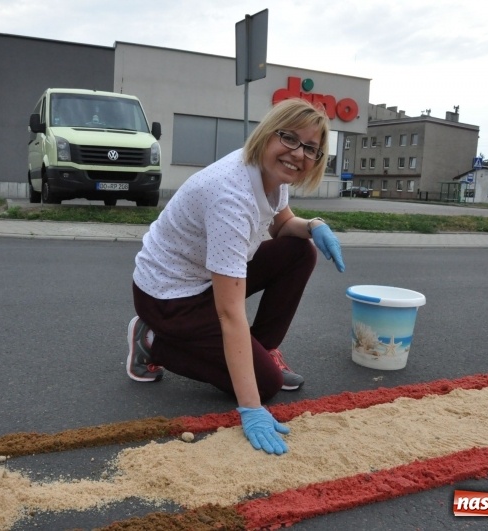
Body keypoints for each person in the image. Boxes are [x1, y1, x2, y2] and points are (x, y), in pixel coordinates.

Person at [127, 98, 345, 455]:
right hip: (168, 296)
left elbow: (284, 224)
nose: (298, 154)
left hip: (203, 279)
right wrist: (252, 405)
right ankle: (151, 341)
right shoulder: (231, 195)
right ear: (268, 134)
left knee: (299, 250)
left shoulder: (274, 172)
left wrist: (315, 226)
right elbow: (230, 314)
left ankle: (258, 353)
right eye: (289, 139)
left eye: (311, 148)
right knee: (266, 385)